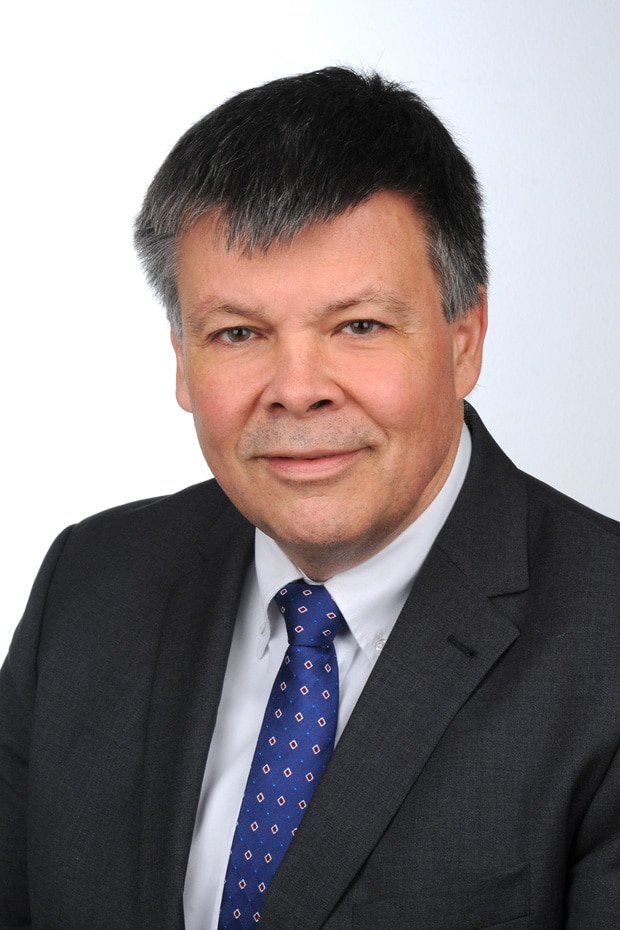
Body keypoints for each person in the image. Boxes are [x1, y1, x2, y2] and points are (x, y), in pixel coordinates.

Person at [1, 66, 619, 930]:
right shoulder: (89, 583)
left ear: (465, 339)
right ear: (182, 359)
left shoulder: (605, 644)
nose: (297, 390)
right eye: (238, 333)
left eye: (359, 326)